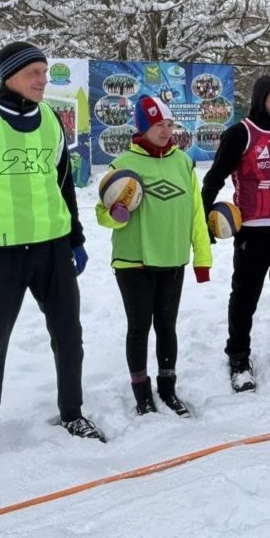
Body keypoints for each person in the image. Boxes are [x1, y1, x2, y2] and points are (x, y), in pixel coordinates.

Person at [0, 41, 104, 461]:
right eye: (34, 73)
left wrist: (76, 238)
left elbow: (63, 186)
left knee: (69, 338)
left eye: (45, 72)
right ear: (10, 75)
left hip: (51, 251)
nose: (43, 80)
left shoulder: (50, 120)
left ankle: (72, 412)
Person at [98, 95, 212, 415]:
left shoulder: (183, 163)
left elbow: (196, 215)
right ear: (142, 127)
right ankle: (142, 395)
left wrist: (202, 259)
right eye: (158, 125)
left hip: (173, 258)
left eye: (169, 125)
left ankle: (167, 389)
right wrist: (115, 215)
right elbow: (101, 214)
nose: (165, 131)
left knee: (167, 326)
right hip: (133, 260)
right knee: (138, 328)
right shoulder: (122, 166)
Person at [201, 76, 270, 392]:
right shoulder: (241, 134)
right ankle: (238, 358)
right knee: (245, 298)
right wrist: (202, 223)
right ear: (260, 99)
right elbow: (214, 179)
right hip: (253, 231)